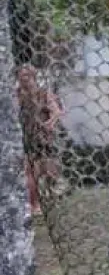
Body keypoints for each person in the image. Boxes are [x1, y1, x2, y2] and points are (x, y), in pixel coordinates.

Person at [18, 65, 64, 216]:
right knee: (30, 173)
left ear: (33, 77)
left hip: (43, 139)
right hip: (27, 138)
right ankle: (34, 205)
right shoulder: (17, 94)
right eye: (21, 75)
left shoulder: (43, 93)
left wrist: (50, 122)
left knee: (48, 171)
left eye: (26, 75)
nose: (23, 78)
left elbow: (57, 111)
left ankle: (53, 189)